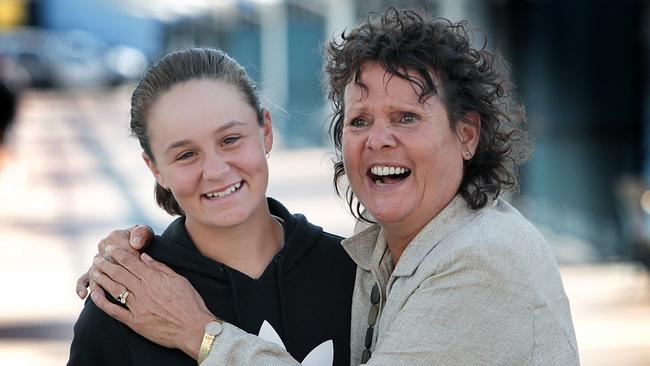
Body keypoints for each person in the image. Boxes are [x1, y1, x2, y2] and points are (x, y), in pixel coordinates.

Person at [78, 8, 579, 365]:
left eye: (406, 117)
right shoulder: (370, 265)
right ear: (154, 168)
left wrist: (200, 334)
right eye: (360, 121)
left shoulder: (480, 258)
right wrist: (129, 253)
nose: (380, 140)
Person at [67, 48, 356, 366]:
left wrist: (200, 335)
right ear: (156, 169)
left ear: (266, 132)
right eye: (186, 154)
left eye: (230, 139)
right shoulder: (125, 300)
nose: (216, 170)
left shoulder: (356, 274)